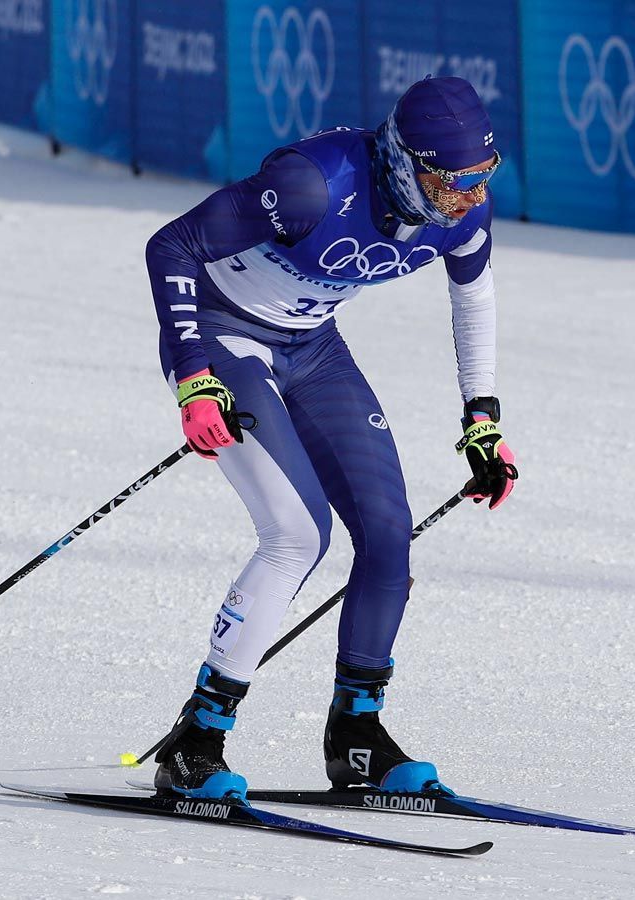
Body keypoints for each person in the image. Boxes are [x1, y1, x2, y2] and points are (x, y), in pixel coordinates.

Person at [143, 76, 518, 801]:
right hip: (226, 336)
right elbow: (174, 246)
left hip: (312, 346)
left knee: (387, 533)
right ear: (407, 163)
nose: (471, 198)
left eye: (484, 178)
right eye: (455, 182)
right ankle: (196, 741)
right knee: (295, 535)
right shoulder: (313, 186)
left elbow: (474, 295)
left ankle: (357, 737)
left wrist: (483, 419)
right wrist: (192, 374)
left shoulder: (461, 212)